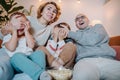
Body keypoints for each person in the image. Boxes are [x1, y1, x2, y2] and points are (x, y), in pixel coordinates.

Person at [0, 1, 61, 80]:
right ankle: (39, 74)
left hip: (30, 57)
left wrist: (26, 31)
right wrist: (11, 30)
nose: (51, 12)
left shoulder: (50, 30)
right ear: (41, 11)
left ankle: (41, 75)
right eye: (49, 9)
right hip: (15, 57)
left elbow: (32, 45)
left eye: (54, 11)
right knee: (16, 57)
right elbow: (5, 34)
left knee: (40, 53)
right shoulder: (27, 19)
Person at [66, 13, 120, 80]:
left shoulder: (98, 27)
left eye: (82, 17)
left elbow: (93, 39)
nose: (80, 19)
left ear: (88, 20)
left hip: (108, 60)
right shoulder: (73, 36)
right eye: (77, 19)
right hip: (85, 62)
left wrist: (69, 33)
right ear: (76, 24)